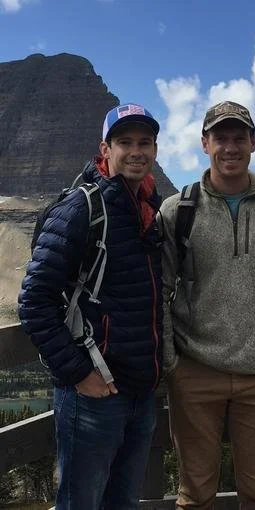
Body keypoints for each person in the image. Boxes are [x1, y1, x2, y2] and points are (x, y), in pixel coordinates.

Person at [160, 100, 255, 509]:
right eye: (220, 138)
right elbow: (161, 286)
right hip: (194, 372)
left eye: (238, 138)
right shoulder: (178, 210)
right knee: (194, 494)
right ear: (204, 143)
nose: (230, 147)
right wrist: (172, 360)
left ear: (253, 142)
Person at [18, 103, 163, 510]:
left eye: (145, 142)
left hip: (139, 392)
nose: (136, 151)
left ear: (155, 149)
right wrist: (78, 372)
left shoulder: (148, 208)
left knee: (123, 502)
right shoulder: (82, 208)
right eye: (125, 142)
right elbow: (33, 300)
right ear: (105, 148)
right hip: (94, 394)